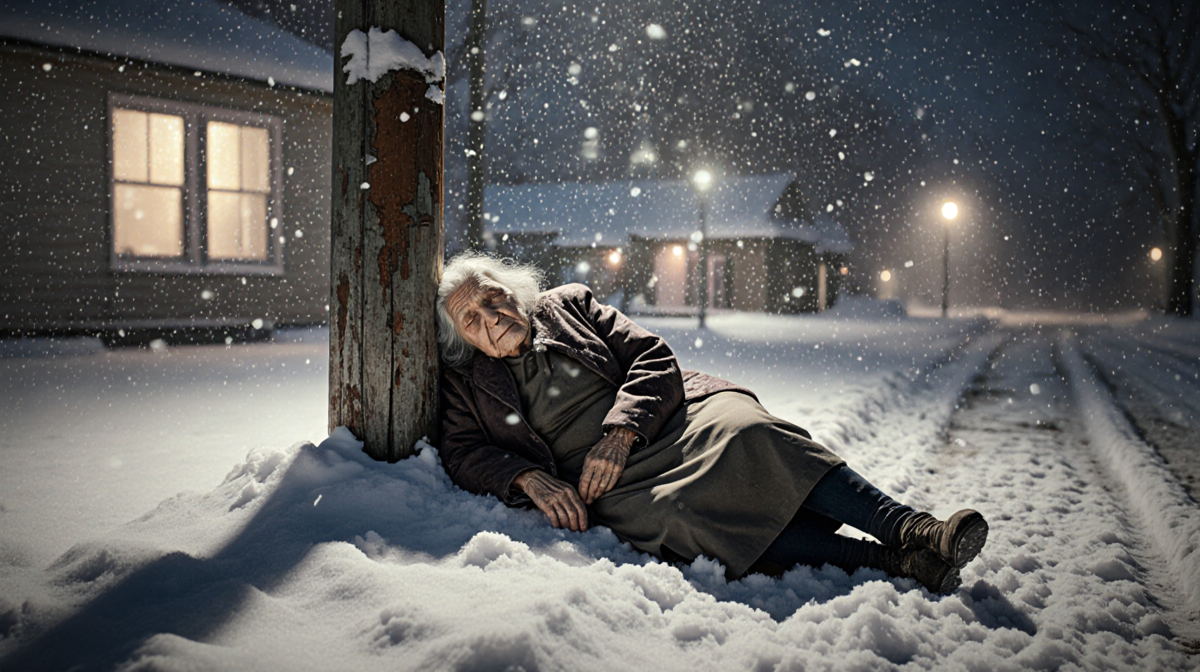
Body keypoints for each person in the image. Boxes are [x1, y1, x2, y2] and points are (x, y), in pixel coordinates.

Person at [436, 253, 988, 593]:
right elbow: (463, 453)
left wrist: (621, 432)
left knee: (753, 434)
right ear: (461, 336)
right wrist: (528, 479)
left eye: (495, 298)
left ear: (514, 290)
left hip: (666, 419)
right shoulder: (465, 383)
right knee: (685, 518)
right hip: (606, 481)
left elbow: (652, 356)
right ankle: (893, 562)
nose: (493, 317)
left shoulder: (568, 305)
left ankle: (915, 529)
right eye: (472, 318)